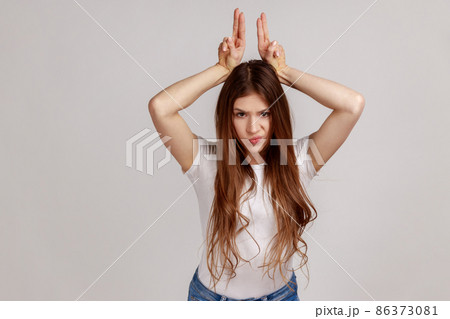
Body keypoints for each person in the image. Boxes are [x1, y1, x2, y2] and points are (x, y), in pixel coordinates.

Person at [148, 8, 365, 301]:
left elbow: (352, 104)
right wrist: (222, 70)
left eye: (264, 113)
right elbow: (161, 107)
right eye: (241, 114)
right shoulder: (208, 161)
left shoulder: (298, 160)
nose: (253, 127)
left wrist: (283, 72)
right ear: (229, 115)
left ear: (277, 114)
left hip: (279, 300)